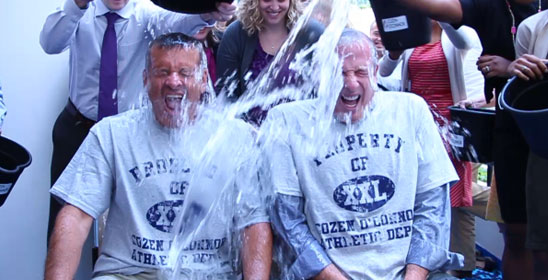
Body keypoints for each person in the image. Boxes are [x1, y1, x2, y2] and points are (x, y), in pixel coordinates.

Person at [45, 32, 271, 280]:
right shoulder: (111, 134)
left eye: (185, 73)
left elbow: (254, 224)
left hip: (209, 275)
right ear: (146, 79)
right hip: (127, 274)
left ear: (204, 79)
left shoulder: (234, 138)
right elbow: (76, 216)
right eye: (162, 72)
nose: (174, 81)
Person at [262, 28, 462, 280]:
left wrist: (413, 276)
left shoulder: (410, 110)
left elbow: (433, 207)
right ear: (319, 77)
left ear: (375, 73)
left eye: (360, 72)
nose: (350, 83)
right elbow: (288, 221)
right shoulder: (287, 121)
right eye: (338, 73)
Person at [40, 0, 236, 241]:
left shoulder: (146, 14)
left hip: (129, 138)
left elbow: (183, 22)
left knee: (128, 221)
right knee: (64, 219)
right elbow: (50, 44)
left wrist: (210, 12)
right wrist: (76, 5)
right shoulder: (80, 12)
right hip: (78, 128)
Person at [396, 1, 538, 278]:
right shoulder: (490, 8)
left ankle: (463, 263)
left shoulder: (536, 18)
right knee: (515, 232)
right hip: (503, 135)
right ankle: (459, 264)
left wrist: (511, 68)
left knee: (459, 194)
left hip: (453, 124)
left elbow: (461, 37)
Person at [216, 0, 324, 126]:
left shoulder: (312, 34)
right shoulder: (236, 34)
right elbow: (225, 93)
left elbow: (325, 93)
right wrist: (244, 128)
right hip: (248, 135)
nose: (274, 6)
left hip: (299, 133)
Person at [505, 9, 548, 279]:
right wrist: (514, 69)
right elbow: (522, 94)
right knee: (542, 250)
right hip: (543, 150)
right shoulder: (532, 28)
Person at [370, 21, 401, 92]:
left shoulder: (401, 60)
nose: (380, 38)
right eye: (376, 34)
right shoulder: (362, 60)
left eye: (384, 35)